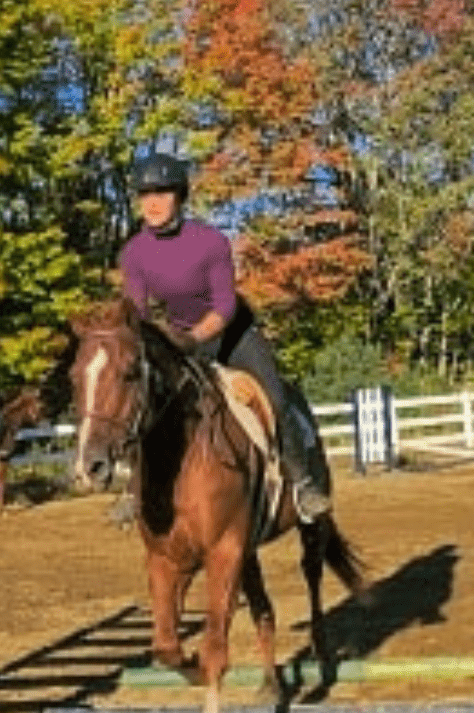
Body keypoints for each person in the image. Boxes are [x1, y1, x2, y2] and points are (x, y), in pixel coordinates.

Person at [119, 151, 331, 523]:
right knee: (145, 400)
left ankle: (302, 482)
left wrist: (193, 338)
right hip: (179, 339)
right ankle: (134, 487)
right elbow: (136, 313)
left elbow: (224, 306)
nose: (152, 203)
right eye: (145, 194)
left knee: (275, 398)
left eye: (162, 193)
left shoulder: (210, 241)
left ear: (180, 197)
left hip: (233, 335)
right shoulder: (134, 253)